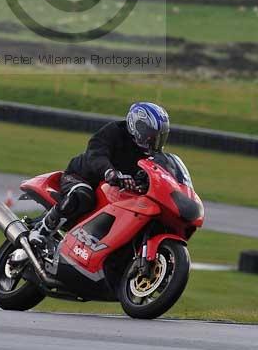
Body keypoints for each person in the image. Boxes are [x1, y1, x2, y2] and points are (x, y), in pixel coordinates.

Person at [29, 101, 170, 245]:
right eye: (149, 134)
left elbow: (159, 173)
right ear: (135, 125)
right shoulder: (115, 131)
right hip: (81, 177)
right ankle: (41, 230)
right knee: (83, 194)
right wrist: (109, 172)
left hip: (113, 192)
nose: (152, 139)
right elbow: (95, 153)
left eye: (158, 136)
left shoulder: (152, 156)